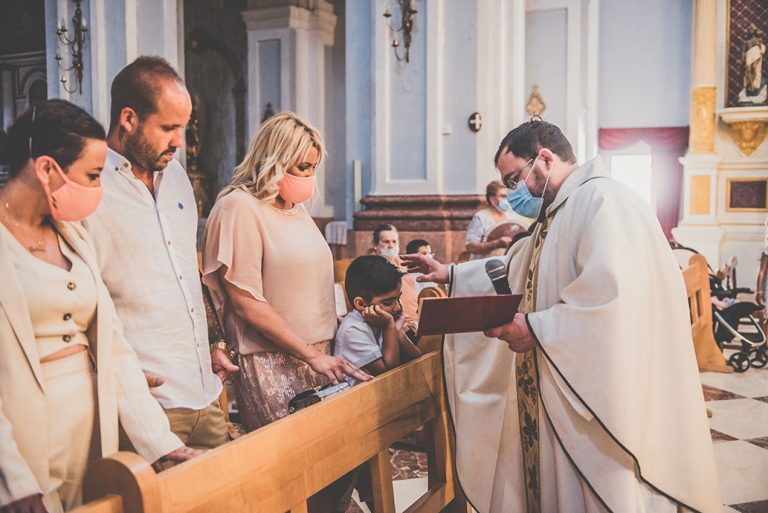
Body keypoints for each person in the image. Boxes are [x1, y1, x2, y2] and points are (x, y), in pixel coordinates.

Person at [402, 120, 721, 512]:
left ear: (546, 159)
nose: (513, 193)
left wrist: (535, 328)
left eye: (515, 179)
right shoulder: (557, 213)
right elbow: (516, 265)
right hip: (558, 390)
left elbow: (616, 304)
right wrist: (449, 273)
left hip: (600, 404)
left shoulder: (605, 202)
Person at [0, 100, 198, 513]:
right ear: (48, 169)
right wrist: (11, 481)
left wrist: (157, 441)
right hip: (20, 433)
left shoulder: (72, 235)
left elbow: (113, 346)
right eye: (92, 176)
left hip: (92, 427)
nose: (99, 189)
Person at [83, 56, 236, 452]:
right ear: (128, 119)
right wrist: (114, 373)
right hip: (145, 403)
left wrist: (215, 342)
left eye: (182, 128)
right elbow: (81, 297)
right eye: (168, 128)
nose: (179, 142)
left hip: (204, 388)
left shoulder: (179, 178)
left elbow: (189, 271)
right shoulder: (89, 188)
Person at [202, 111, 370, 432]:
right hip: (272, 359)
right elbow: (245, 301)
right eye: (302, 167)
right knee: (292, 463)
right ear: (273, 160)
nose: (309, 177)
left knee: (330, 462)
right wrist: (309, 355)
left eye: (313, 168)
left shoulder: (297, 210)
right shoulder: (239, 207)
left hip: (322, 353)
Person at [335, 255, 422, 385]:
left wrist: (398, 332)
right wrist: (389, 327)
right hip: (358, 400)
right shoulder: (353, 330)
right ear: (361, 304)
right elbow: (388, 372)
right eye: (388, 302)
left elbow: (418, 359)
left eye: (398, 298)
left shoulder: (379, 320)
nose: (397, 307)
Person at [465, 180, 531, 260]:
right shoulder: (481, 218)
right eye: (503, 196)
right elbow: (470, 247)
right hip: (484, 264)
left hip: (505, 263)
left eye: (508, 196)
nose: (507, 199)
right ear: (493, 199)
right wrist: (496, 244)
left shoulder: (511, 216)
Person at [371, 224, 419, 332]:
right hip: (399, 327)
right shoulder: (371, 266)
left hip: (416, 321)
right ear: (376, 245)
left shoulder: (401, 262)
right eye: (386, 242)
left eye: (394, 241)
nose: (391, 245)